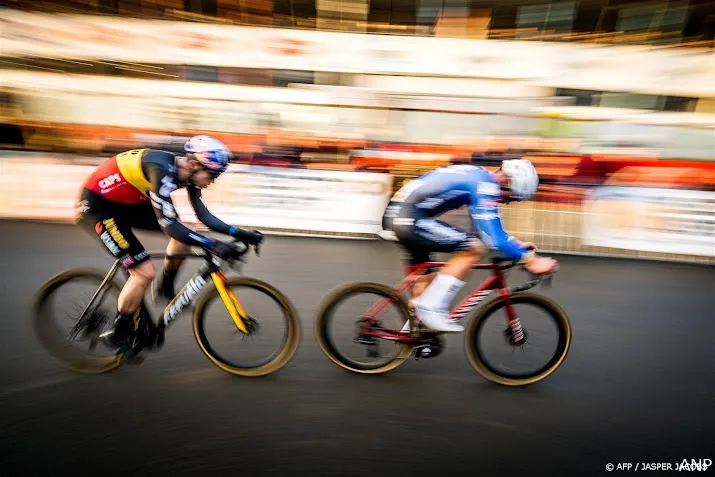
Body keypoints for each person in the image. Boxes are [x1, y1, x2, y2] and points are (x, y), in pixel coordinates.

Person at [76, 135, 263, 356]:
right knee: (144, 272)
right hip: (100, 206)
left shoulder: (188, 174)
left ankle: (165, 286)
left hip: (128, 202)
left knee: (186, 233)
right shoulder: (160, 169)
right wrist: (214, 244)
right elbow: (170, 227)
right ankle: (120, 329)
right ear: (194, 164)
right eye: (212, 174)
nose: (213, 180)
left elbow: (204, 216)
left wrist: (240, 233)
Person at [381, 160, 557, 333]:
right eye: (511, 197)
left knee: (428, 285)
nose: (507, 202)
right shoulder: (485, 186)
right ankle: (430, 308)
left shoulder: (479, 177)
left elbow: (486, 227)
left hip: (402, 214)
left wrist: (516, 246)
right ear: (508, 182)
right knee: (473, 248)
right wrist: (532, 261)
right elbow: (492, 238)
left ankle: (411, 337)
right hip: (408, 218)